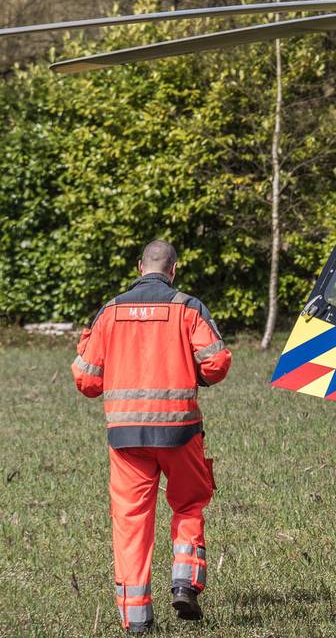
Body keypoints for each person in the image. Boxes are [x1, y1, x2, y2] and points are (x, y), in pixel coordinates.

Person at [71, 240, 231, 634]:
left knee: (130, 522)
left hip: (125, 437)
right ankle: (185, 581)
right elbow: (216, 363)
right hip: (180, 431)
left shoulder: (109, 311)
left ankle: (137, 618)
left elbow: (87, 381)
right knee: (190, 503)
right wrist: (194, 375)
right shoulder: (189, 307)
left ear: (140, 266)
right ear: (174, 269)